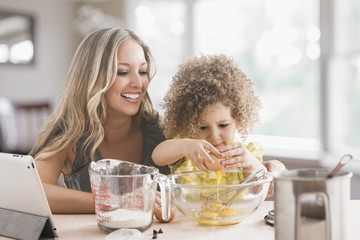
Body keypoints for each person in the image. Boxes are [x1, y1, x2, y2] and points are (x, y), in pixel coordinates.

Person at [30, 28, 169, 213]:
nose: (139, 83)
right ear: (92, 77)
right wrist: (116, 202)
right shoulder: (68, 132)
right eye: (122, 72)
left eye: (143, 71)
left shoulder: (163, 127)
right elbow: (35, 192)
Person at [152, 54, 285, 192]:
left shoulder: (244, 154)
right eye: (202, 127)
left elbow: (262, 190)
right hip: (190, 213)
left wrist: (251, 164)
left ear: (238, 119)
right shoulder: (190, 152)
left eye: (223, 125)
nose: (214, 136)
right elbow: (157, 157)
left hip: (238, 214)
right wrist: (186, 146)